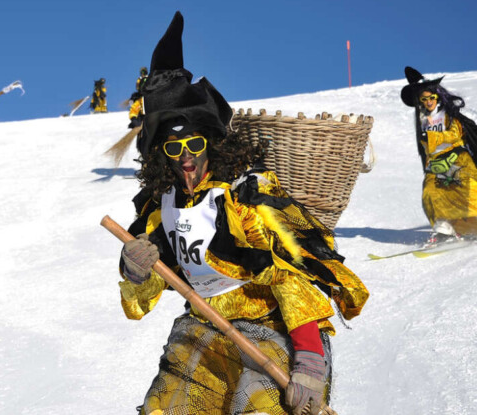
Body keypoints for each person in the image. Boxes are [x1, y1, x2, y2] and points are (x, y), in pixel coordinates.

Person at [116, 12, 369, 415]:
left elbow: (289, 273)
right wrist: (137, 272)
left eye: (194, 144)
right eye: (173, 148)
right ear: (161, 156)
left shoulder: (241, 199)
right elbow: (142, 300)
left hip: (271, 333)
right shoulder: (158, 211)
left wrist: (308, 360)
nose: (185, 158)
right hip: (202, 332)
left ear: (211, 144)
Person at [400, 66, 477, 243]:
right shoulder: (423, 120)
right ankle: (444, 230)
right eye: (424, 99)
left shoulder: (448, 115)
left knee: (467, 192)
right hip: (436, 163)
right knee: (431, 193)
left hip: (457, 159)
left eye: (431, 98)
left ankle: (471, 227)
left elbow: (455, 135)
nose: (428, 102)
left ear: (437, 96)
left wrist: (432, 137)